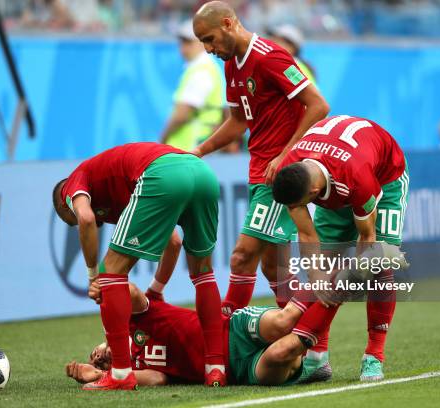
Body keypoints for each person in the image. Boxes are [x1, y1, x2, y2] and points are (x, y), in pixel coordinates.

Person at [190, 1, 329, 322]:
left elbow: (318, 105)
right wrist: (199, 151)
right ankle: (309, 339)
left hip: (281, 175)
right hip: (259, 171)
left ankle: (220, 339)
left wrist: (286, 155)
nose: (208, 49)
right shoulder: (231, 65)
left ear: (228, 23)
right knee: (272, 267)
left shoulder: (270, 56)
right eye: (202, 43)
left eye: (209, 39)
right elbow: (238, 122)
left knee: (241, 258)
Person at [52, 142, 226, 390]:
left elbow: (87, 219)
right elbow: (173, 242)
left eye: (70, 220)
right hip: (202, 173)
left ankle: (121, 375)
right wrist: (156, 289)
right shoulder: (124, 191)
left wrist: (93, 277)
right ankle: (215, 368)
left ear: (64, 204)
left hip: (163, 172)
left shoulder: (71, 186)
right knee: (203, 273)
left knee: (110, 271)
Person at [272, 115, 409, 381]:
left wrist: (352, 279)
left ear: (313, 191)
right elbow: (306, 232)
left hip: (384, 178)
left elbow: (367, 239)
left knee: (378, 262)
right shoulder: (290, 169)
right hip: (339, 177)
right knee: (321, 264)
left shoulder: (357, 179)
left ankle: (374, 356)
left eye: (300, 204)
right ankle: (317, 357)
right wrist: (316, 275)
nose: (297, 210)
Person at [66, 281, 331, 386]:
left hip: (233, 330)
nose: (100, 357)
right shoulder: (134, 367)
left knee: (285, 322)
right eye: (100, 361)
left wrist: (108, 288)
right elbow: (157, 379)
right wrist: (103, 375)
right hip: (241, 371)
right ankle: (314, 359)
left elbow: (132, 293)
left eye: (96, 353)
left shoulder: (136, 320)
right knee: (282, 352)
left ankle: (334, 276)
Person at [160, 20, 226, 152]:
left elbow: (182, 114)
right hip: (196, 148)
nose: (183, 48)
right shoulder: (202, 68)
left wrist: (163, 138)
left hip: (192, 148)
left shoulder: (201, 71)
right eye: (182, 42)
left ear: (203, 43)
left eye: (189, 42)